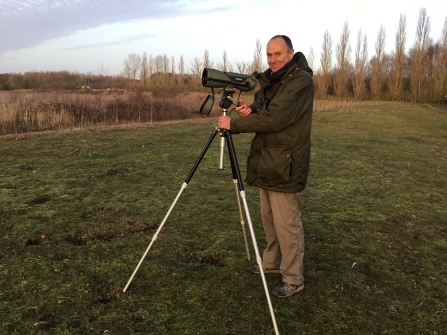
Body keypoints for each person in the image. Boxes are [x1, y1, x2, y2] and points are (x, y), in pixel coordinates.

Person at [217, 35, 314, 298]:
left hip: (286, 162)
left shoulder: (300, 81)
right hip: (268, 160)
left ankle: (293, 278)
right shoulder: (272, 82)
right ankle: (271, 262)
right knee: (269, 219)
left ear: (291, 53)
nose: (272, 59)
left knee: (287, 223)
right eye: (269, 54)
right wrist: (251, 111)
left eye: (278, 54)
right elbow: (265, 112)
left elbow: (277, 117)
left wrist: (234, 125)